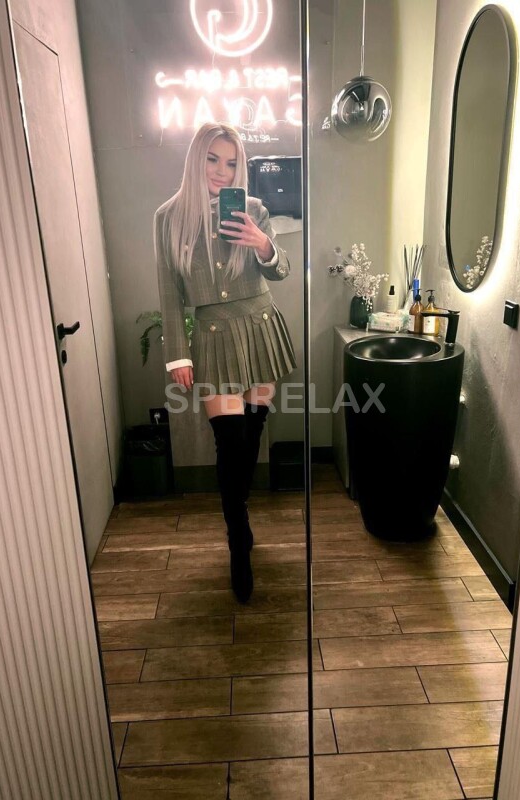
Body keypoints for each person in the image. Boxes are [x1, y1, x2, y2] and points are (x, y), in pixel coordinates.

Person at [154, 122, 296, 603]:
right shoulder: (168, 218)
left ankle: (240, 512)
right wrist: (177, 353)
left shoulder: (253, 210)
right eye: (213, 159)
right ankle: (239, 539)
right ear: (197, 159)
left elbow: (281, 270)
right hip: (213, 336)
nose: (222, 171)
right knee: (230, 442)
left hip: (259, 328)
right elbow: (169, 292)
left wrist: (263, 244)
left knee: (251, 436)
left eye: (232, 163)